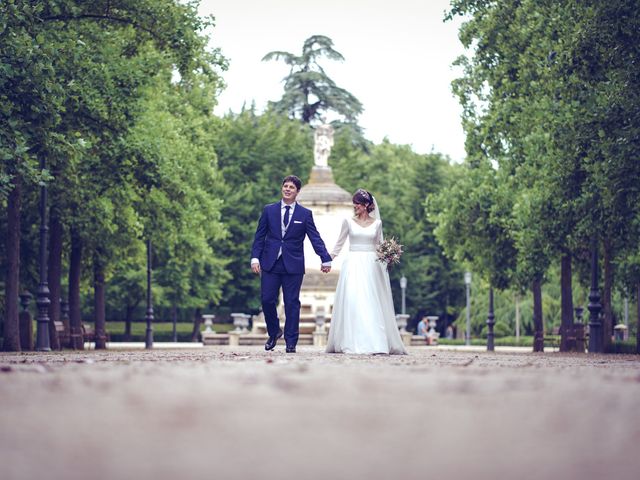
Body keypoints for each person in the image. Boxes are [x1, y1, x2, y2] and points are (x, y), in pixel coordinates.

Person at [251, 175, 332, 353]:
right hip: (270, 263)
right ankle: (274, 332)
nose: (287, 189)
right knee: (267, 300)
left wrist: (325, 258)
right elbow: (259, 236)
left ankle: (291, 341)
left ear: (297, 192)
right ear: (282, 188)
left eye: (291, 187)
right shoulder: (269, 210)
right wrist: (255, 258)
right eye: (285, 186)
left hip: (293, 265)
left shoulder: (305, 214)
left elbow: (315, 238)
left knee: (291, 303)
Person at [325, 189, 407, 355]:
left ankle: (375, 343)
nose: (355, 206)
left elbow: (380, 246)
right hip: (353, 263)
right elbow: (339, 244)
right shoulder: (348, 222)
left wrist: (389, 255)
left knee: (371, 301)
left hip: (371, 265)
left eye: (359, 203)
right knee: (354, 300)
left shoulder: (377, 224)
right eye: (354, 203)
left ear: (367, 205)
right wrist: (328, 259)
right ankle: (351, 341)